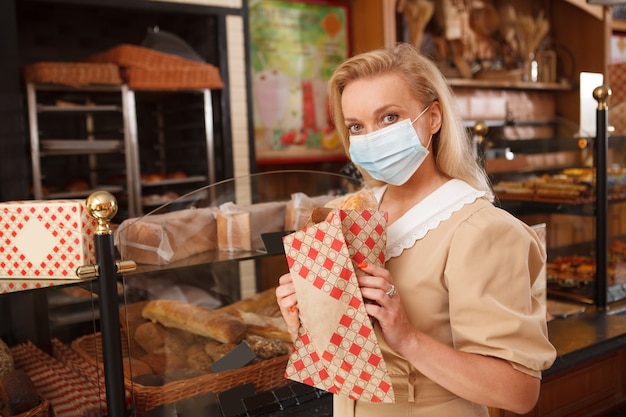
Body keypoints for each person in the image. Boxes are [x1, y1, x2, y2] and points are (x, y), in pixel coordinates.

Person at [275, 42, 556, 416]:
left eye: (389, 117)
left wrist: (407, 338)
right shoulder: (342, 215)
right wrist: (304, 320)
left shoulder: (482, 231)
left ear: (434, 117)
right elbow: (347, 362)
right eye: (357, 126)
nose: (371, 136)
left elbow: (519, 392)